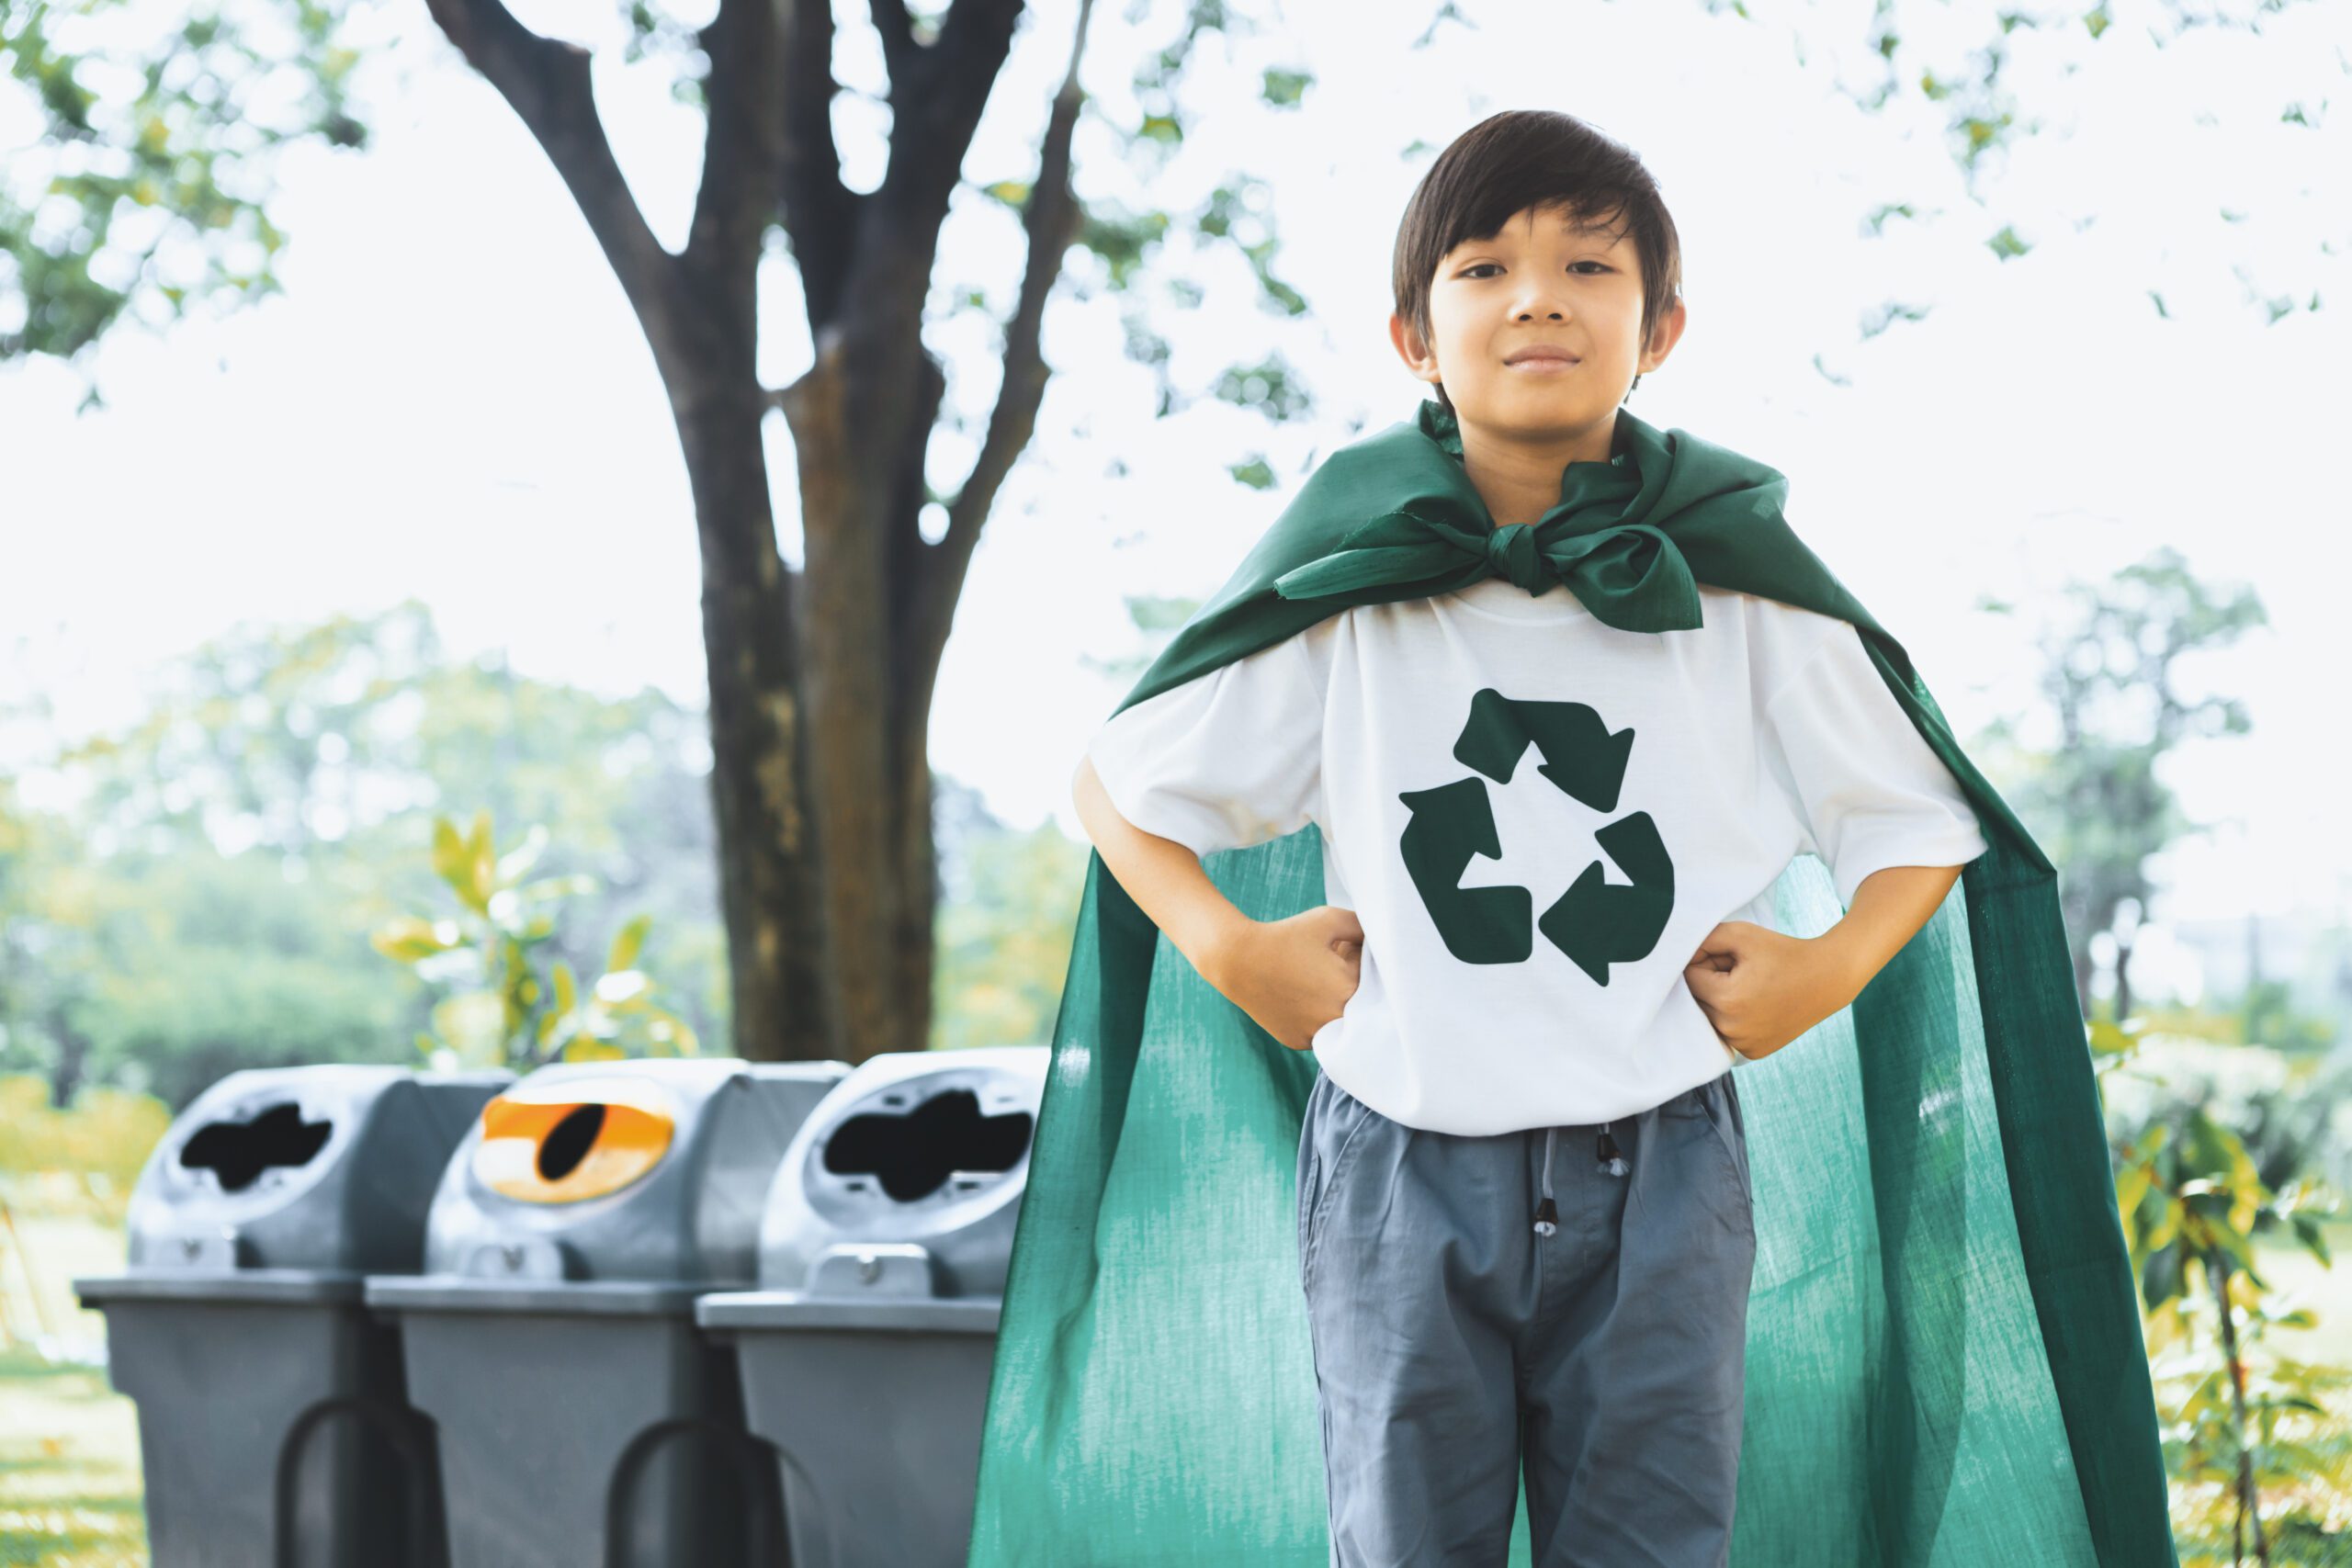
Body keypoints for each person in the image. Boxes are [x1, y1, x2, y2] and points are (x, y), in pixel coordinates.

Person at [963, 108, 2177, 1568]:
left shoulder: (1743, 595)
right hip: (1401, 1166)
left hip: (1656, 1164)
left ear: (1659, 324)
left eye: (1587, 265)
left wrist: (1827, 970)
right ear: (1415, 334)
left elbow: (1920, 818)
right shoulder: (1351, 593)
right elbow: (1121, 781)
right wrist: (1228, 947)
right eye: (1484, 266)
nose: (1537, 295)